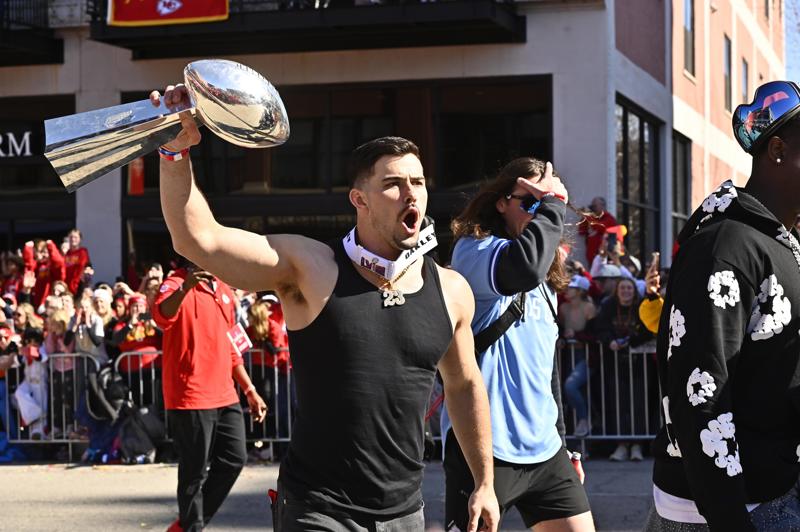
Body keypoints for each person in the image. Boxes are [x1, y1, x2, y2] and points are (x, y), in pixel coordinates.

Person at [152, 85, 499, 532]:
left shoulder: (451, 290)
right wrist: (175, 152)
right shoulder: (312, 267)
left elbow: (465, 385)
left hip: (405, 514)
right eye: (392, 184)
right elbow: (198, 239)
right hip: (318, 510)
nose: (411, 194)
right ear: (359, 200)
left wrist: (484, 482)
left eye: (417, 182)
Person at [646, 80, 800, 531]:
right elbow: (700, 393)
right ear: (777, 151)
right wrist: (730, 520)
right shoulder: (725, 246)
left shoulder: (779, 242)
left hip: (773, 489)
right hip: (728, 511)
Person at [443, 157, 594, 531]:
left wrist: (563, 444)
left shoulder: (544, 281)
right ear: (500, 203)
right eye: (530, 202)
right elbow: (522, 267)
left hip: (546, 451)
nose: (539, 211)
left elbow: (547, 371)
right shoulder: (474, 251)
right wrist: (554, 203)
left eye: (543, 203)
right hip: (484, 451)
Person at [152, 261, 268, 532]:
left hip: (225, 394)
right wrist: (185, 288)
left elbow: (231, 347)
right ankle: (192, 526)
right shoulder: (174, 283)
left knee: (234, 458)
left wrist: (249, 389)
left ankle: (187, 525)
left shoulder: (224, 289)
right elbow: (161, 316)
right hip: (190, 395)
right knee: (193, 471)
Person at [577, 197, 617, 264]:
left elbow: (600, 227)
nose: (593, 208)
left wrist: (588, 216)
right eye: (592, 206)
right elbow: (581, 231)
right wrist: (584, 215)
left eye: (595, 206)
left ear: (602, 206)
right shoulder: (591, 218)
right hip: (591, 258)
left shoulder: (609, 219)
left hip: (605, 259)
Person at [64, 229, 91, 296]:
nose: (73, 239)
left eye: (75, 237)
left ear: (80, 239)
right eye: (71, 237)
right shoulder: (66, 253)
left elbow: (85, 267)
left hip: (78, 286)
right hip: (67, 286)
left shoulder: (83, 252)